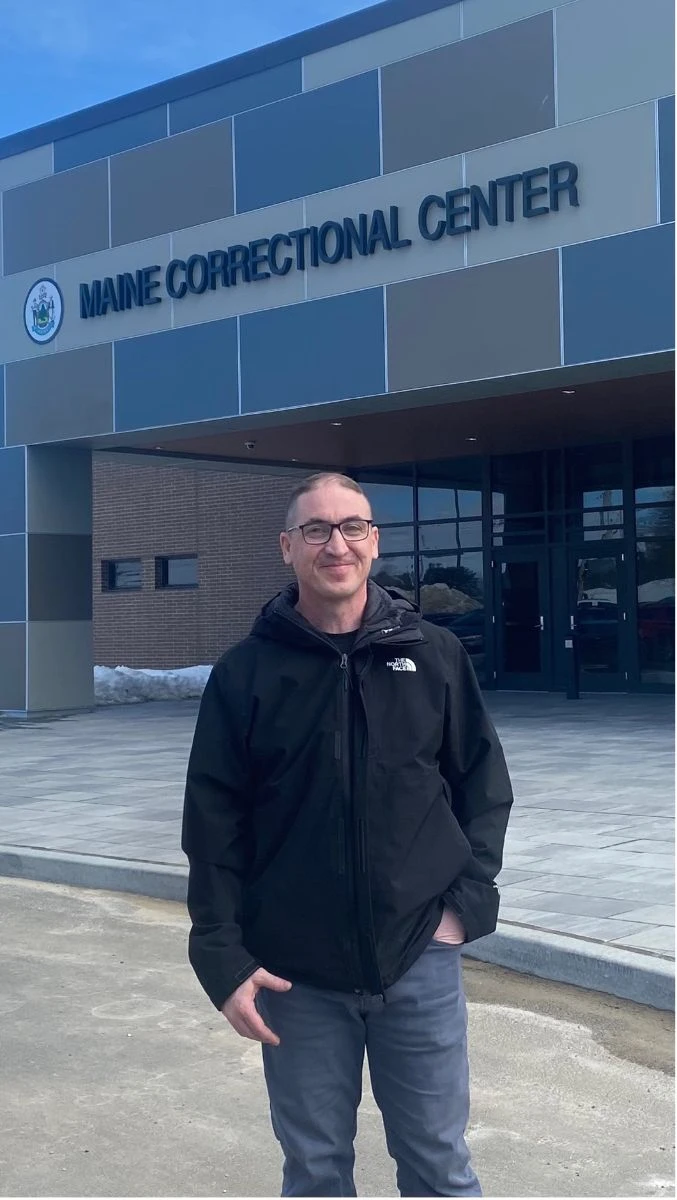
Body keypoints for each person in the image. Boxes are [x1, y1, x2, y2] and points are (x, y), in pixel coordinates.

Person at [182, 471, 514, 1198]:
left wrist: (465, 902)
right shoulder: (245, 674)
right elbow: (212, 826)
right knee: (315, 1171)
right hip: (294, 974)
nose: (336, 543)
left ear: (373, 541)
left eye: (351, 527)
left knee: (438, 1165)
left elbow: (481, 787)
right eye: (316, 530)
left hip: (418, 957)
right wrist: (221, 954)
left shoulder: (433, 656)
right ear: (286, 548)